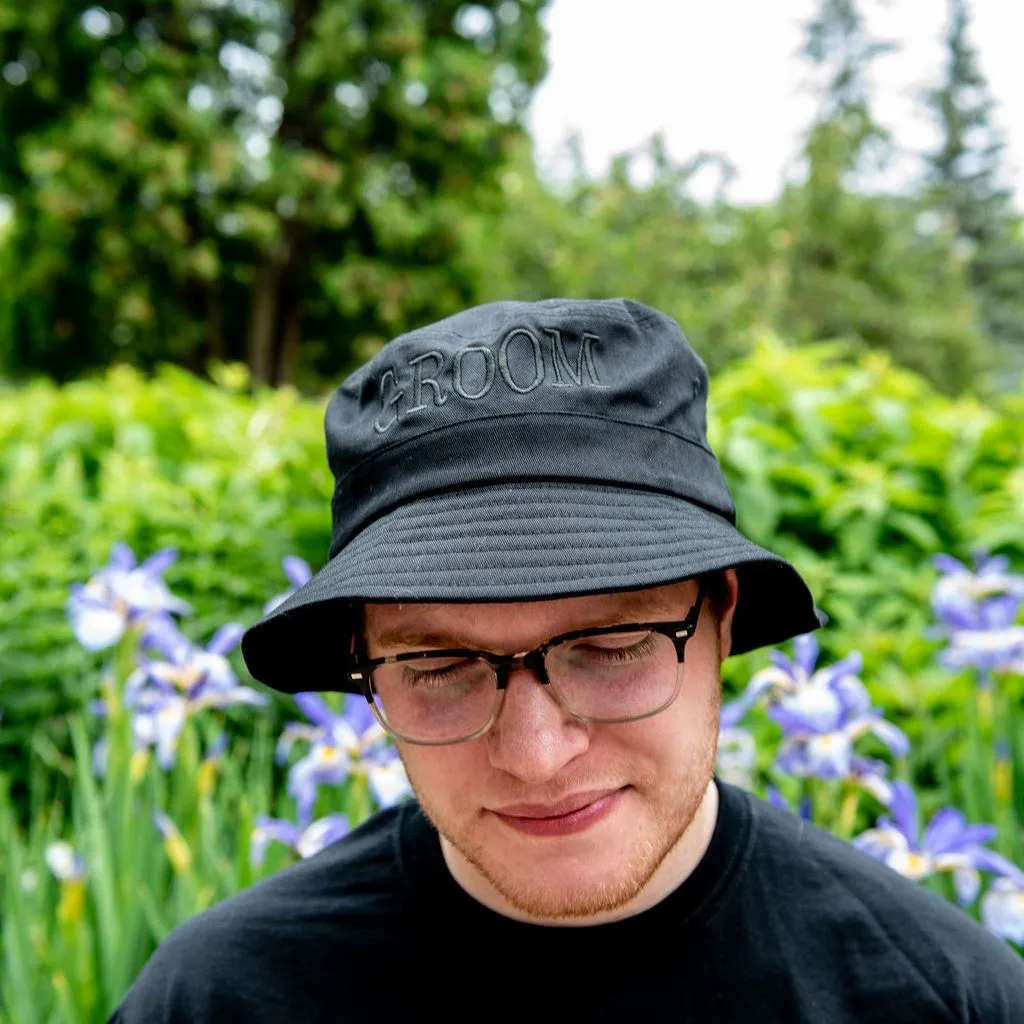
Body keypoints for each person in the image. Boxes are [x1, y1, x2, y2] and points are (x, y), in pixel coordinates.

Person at [111, 299, 1024, 1022]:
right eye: (437, 666)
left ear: (722, 623)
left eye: (610, 648)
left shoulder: (943, 997)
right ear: (362, 662)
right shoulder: (215, 1000)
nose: (537, 755)